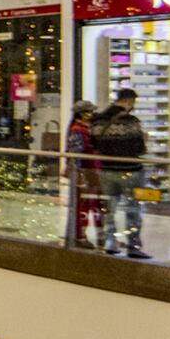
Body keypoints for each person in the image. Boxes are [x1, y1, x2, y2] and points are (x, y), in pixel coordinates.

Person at [92, 89, 151, 259]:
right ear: (128, 102)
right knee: (133, 209)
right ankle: (133, 245)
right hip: (130, 170)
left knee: (109, 208)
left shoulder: (97, 120)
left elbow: (93, 144)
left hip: (106, 170)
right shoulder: (131, 121)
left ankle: (110, 243)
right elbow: (140, 147)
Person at [65, 100, 103, 248]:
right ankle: (80, 236)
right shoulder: (77, 130)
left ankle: (100, 235)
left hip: (94, 170)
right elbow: (75, 154)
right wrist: (79, 173)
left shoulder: (89, 128)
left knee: (96, 204)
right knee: (84, 205)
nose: (92, 115)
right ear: (82, 114)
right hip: (86, 172)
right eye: (89, 112)